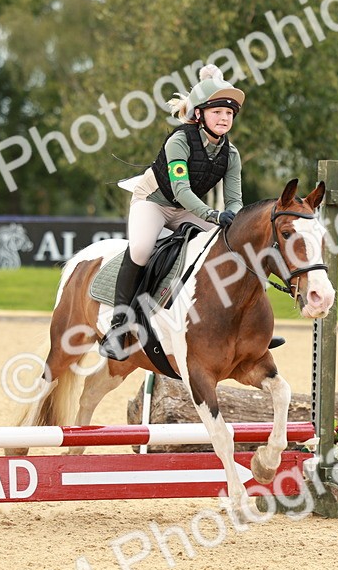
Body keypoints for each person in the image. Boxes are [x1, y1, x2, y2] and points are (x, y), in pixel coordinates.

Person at [102, 64, 250, 361]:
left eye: (229, 114)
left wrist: (232, 218)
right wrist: (214, 215)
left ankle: (244, 325)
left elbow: (235, 199)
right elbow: (181, 190)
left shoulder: (231, 155)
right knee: (142, 250)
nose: (224, 118)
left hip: (187, 210)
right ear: (199, 114)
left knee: (232, 250)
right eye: (217, 112)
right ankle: (118, 325)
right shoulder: (179, 141)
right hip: (154, 202)